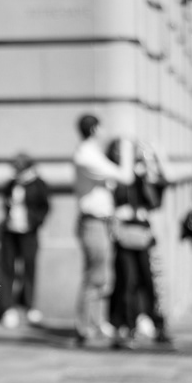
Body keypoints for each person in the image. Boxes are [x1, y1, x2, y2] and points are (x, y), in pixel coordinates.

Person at [72, 114, 133, 344]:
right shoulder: (85, 155)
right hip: (93, 222)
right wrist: (126, 149)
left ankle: (95, 323)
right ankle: (84, 327)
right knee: (94, 275)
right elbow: (125, 176)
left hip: (102, 222)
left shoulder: (93, 153)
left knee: (102, 276)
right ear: (94, 129)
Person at [106, 138, 172, 347]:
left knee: (150, 281)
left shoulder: (142, 175)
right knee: (127, 281)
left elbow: (156, 197)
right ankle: (125, 326)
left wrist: (153, 162)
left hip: (143, 234)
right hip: (124, 235)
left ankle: (156, 323)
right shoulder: (115, 175)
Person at [0, 152, 51, 328]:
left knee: (29, 267)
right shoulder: (11, 184)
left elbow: (45, 206)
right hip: (10, 231)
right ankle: (8, 308)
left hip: (29, 232)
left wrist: (36, 221)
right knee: (8, 269)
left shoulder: (38, 184)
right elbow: (5, 202)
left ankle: (29, 306)